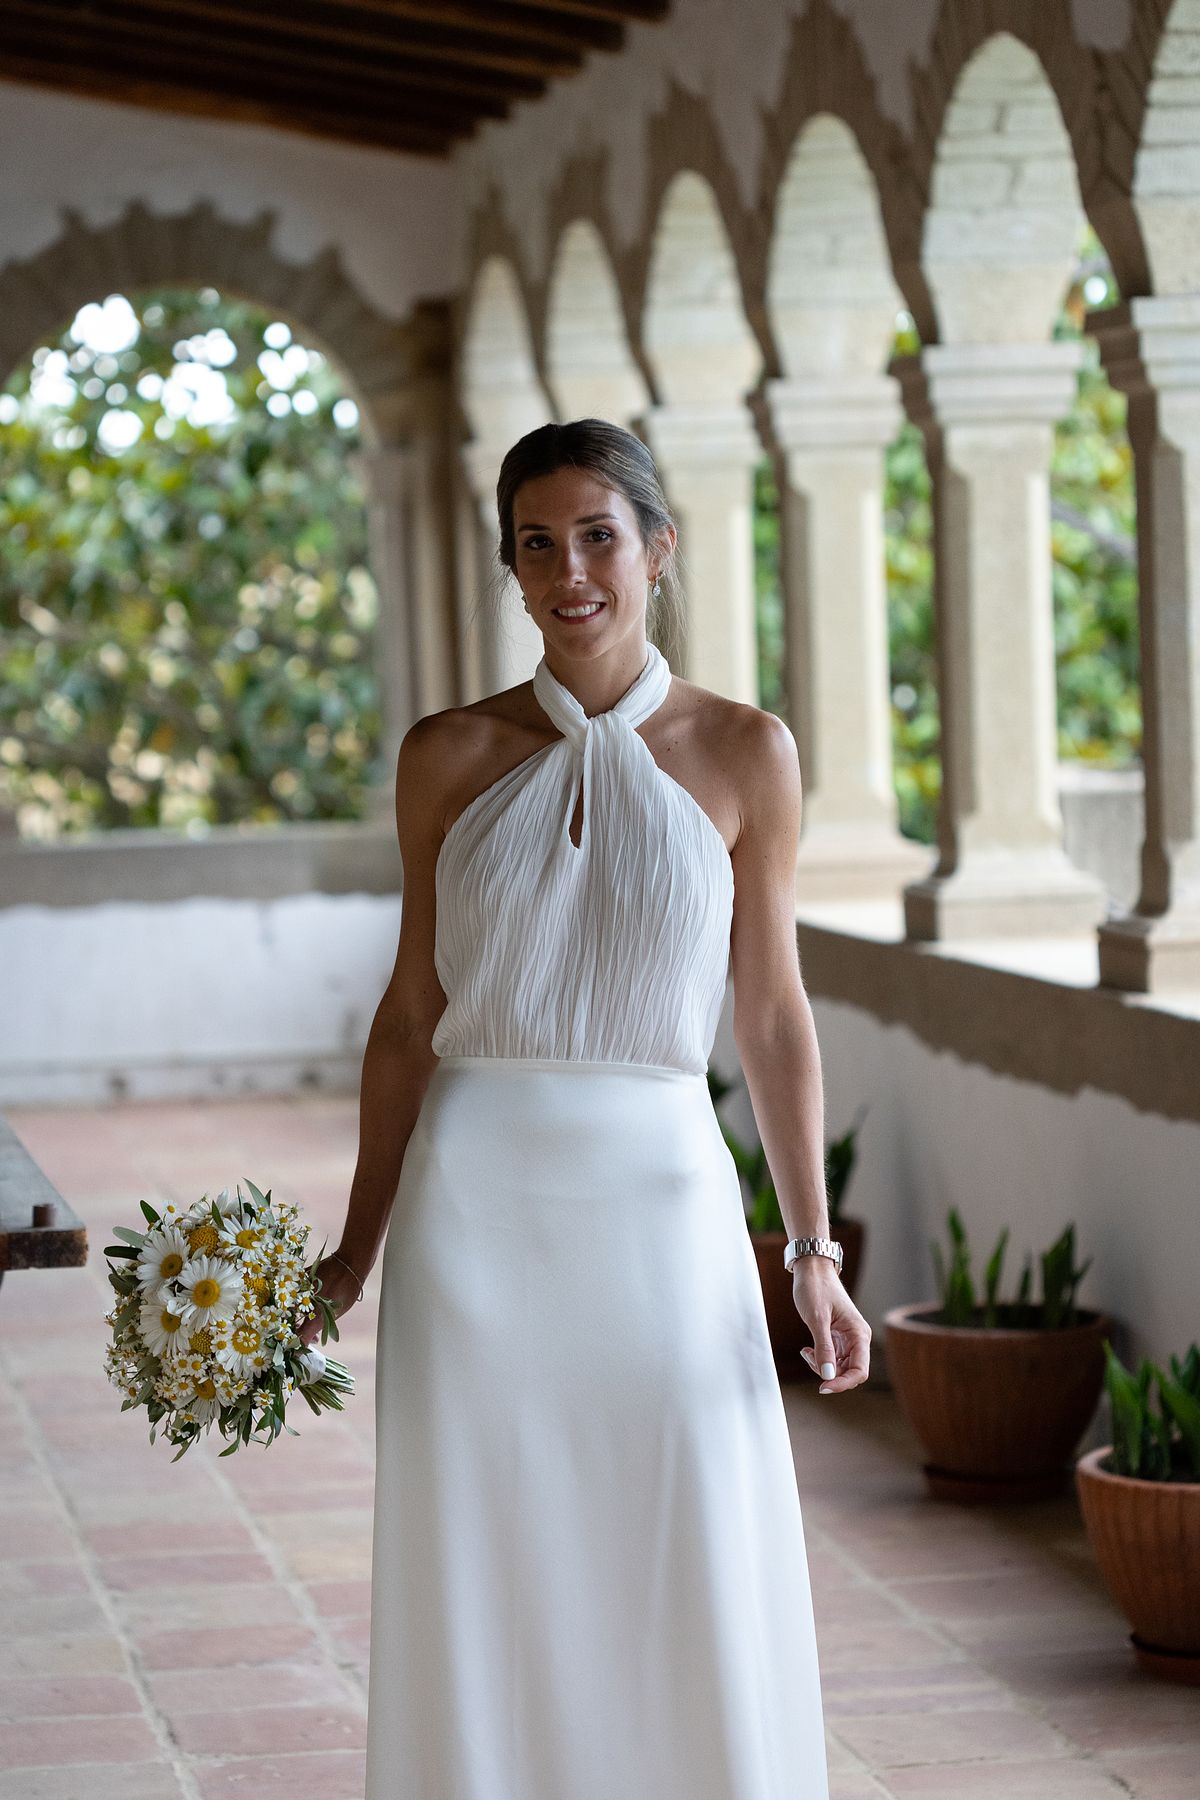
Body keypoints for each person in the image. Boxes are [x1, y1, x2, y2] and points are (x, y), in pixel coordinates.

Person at [300, 417, 871, 1798]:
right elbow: (409, 1015)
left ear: (658, 550)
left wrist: (812, 1254)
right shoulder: (446, 754)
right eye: (538, 544)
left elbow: (772, 1013)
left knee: (679, 1534)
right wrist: (353, 1255)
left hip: (664, 1207)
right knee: (485, 1558)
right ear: (510, 565)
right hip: (474, 1214)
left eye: (599, 538)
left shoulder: (747, 751)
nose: (571, 573)